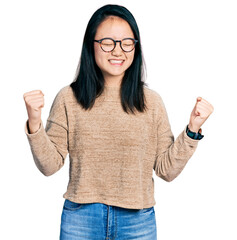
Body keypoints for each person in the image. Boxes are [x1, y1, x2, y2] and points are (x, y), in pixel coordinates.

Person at [23, 4, 214, 240]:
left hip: (137, 222)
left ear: (136, 47)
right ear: (91, 45)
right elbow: (49, 166)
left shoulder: (151, 102)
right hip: (81, 219)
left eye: (126, 42)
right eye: (107, 42)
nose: (117, 51)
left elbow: (166, 170)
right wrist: (34, 121)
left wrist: (193, 129)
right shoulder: (68, 98)